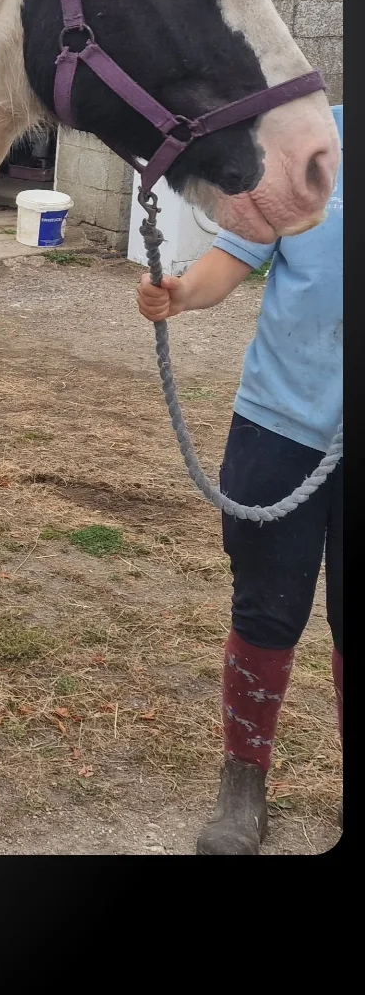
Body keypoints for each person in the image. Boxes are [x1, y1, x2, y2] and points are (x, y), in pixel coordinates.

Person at [137, 104, 343, 855]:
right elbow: (238, 256)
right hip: (280, 426)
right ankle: (243, 782)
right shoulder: (313, 150)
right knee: (265, 610)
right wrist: (179, 292)